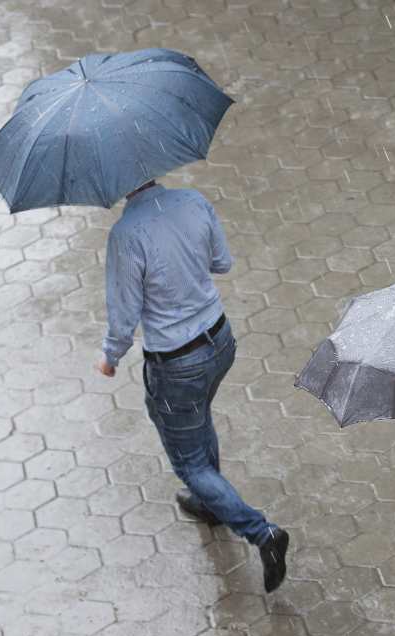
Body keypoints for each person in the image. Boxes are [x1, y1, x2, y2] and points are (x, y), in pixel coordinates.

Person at [95, 181, 289, 593]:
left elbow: (124, 315)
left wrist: (110, 358)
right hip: (220, 342)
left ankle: (262, 533)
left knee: (190, 463)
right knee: (197, 417)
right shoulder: (194, 200)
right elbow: (222, 262)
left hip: (176, 363)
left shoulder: (126, 235)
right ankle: (209, 503)